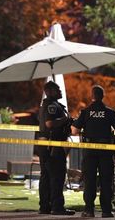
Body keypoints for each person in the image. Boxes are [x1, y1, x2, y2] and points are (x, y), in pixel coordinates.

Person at [72, 85, 115, 218]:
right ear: (103, 96)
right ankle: (106, 211)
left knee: (89, 181)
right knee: (106, 180)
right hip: (106, 150)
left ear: (92, 96)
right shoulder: (109, 112)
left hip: (90, 150)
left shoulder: (85, 112)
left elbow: (74, 131)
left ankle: (89, 210)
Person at [37, 81, 75, 215]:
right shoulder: (51, 106)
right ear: (50, 91)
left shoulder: (47, 105)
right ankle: (57, 207)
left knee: (46, 176)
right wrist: (65, 119)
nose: (60, 91)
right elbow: (49, 123)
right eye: (57, 89)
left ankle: (44, 206)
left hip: (46, 145)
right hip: (53, 145)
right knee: (57, 176)